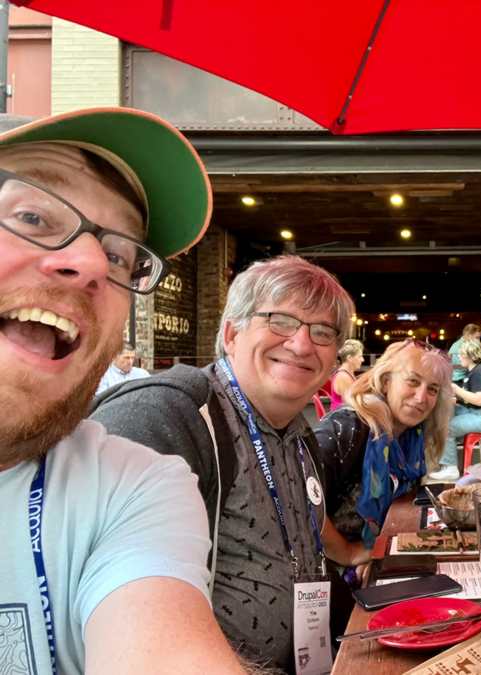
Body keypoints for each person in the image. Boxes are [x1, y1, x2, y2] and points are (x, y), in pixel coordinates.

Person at [0, 107, 247, 673]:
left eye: (118, 256)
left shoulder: (132, 485)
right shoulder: (166, 413)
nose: (89, 262)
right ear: (230, 335)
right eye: (34, 216)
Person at [92, 255, 369, 673]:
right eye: (281, 321)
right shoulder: (170, 415)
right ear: (231, 333)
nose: (302, 344)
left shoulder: (300, 436)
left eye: (322, 332)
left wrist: (350, 555)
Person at [315, 339, 453, 547]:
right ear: (386, 381)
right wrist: (347, 553)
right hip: (333, 570)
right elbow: (297, 500)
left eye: (432, 389)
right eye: (413, 382)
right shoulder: (346, 428)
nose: (421, 397)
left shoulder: (412, 436)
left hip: (383, 552)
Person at [430, 339, 481, 481]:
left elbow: (479, 399)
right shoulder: (473, 372)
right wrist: (454, 400)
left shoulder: (478, 371)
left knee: (448, 427)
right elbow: (471, 399)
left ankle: (450, 468)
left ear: (471, 355)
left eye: (462, 354)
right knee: (448, 416)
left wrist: (456, 389)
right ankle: (444, 459)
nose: (460, 357)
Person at [330, 338, 364, 411]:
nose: (362, 360)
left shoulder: (348, 374)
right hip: (342, 419)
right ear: (349, 358)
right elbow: (352, 405)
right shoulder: (343, 377)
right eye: (360, 356)